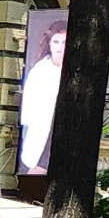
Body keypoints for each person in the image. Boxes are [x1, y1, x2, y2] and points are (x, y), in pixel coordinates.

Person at [18, 17, 69, 175]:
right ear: (49, 43)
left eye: (64, 42)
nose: (60, 47)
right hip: (41, 131)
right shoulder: (40, 70)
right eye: (56, 42)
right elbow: (29, 107)